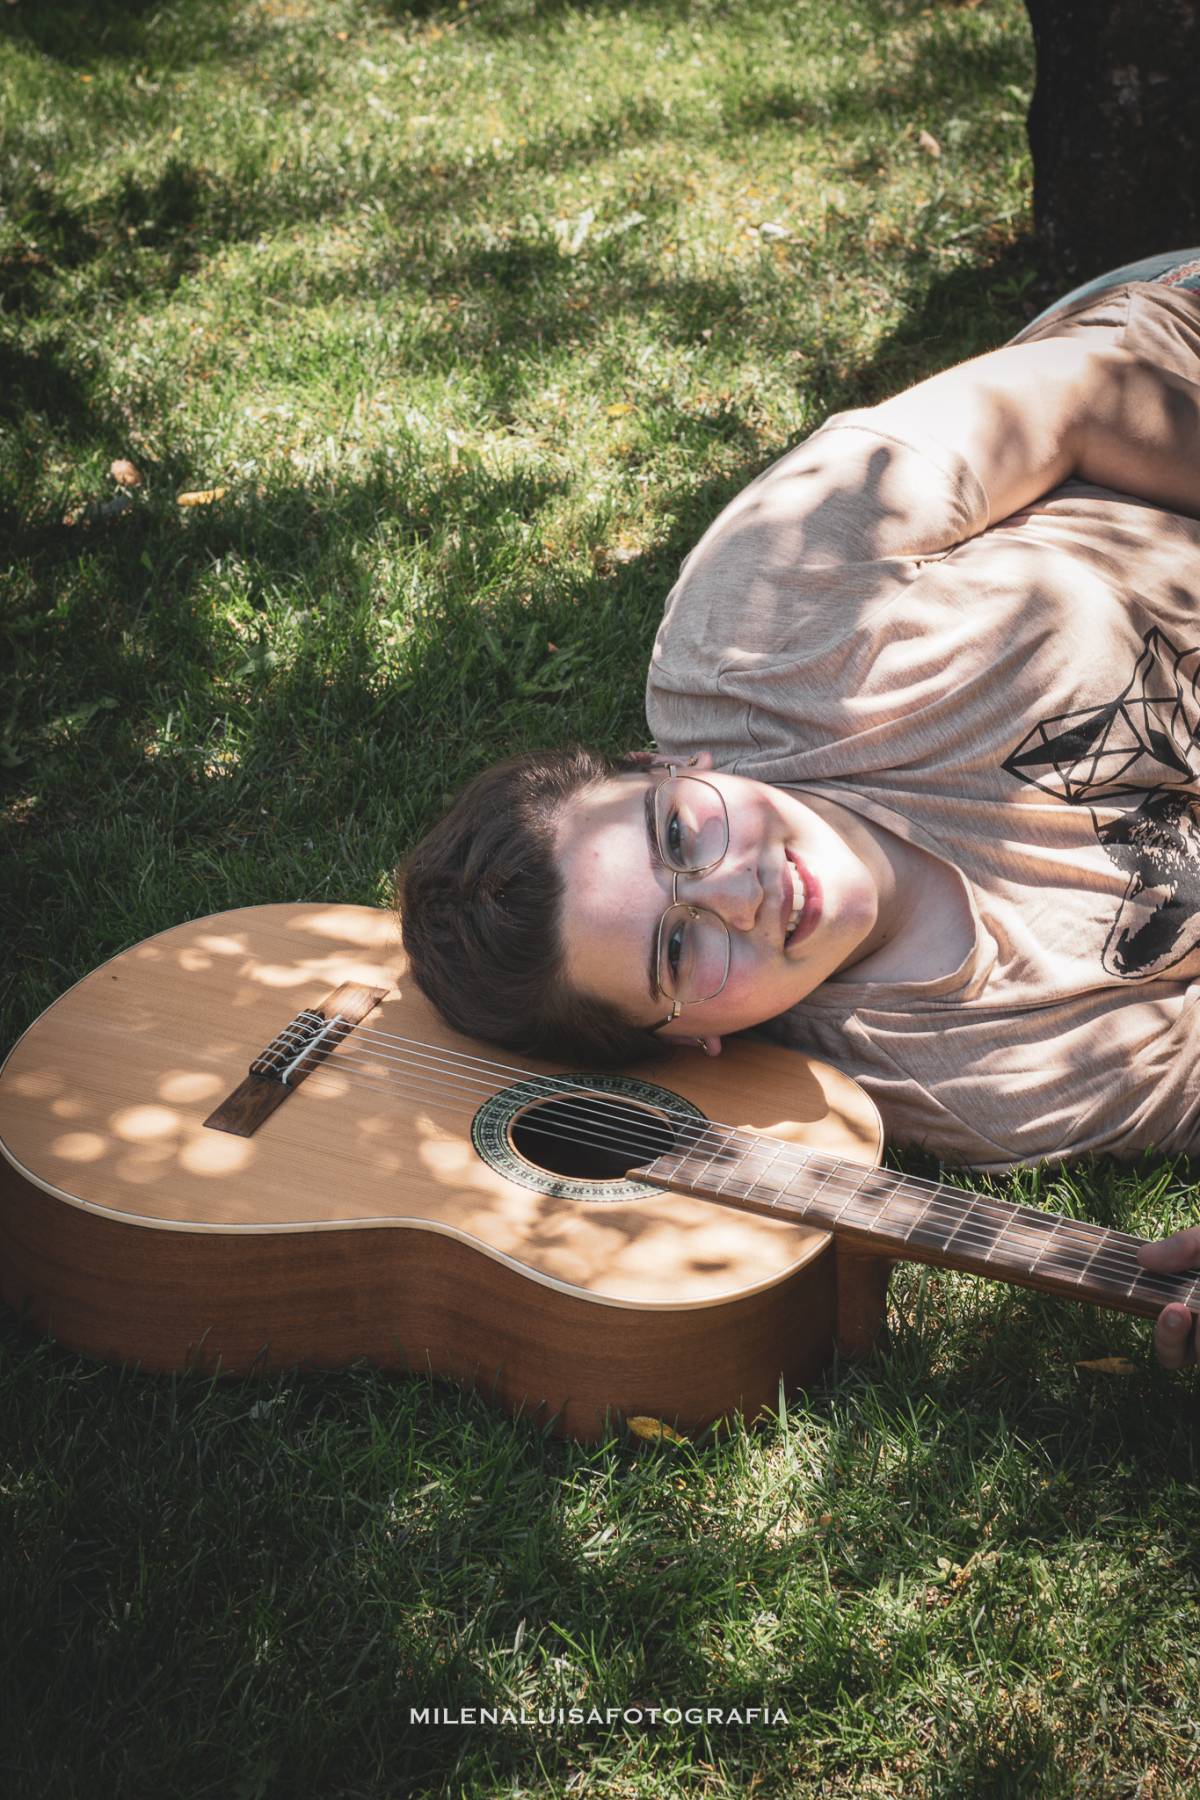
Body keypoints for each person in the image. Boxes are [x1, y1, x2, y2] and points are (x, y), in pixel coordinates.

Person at [400, 250, 1200, 1365]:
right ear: (696, 1043)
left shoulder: (772, 614)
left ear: (668, 762)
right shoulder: (971, 1082)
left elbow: (1074, 398)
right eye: (680, 954)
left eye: (679, 834)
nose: (742, 893)